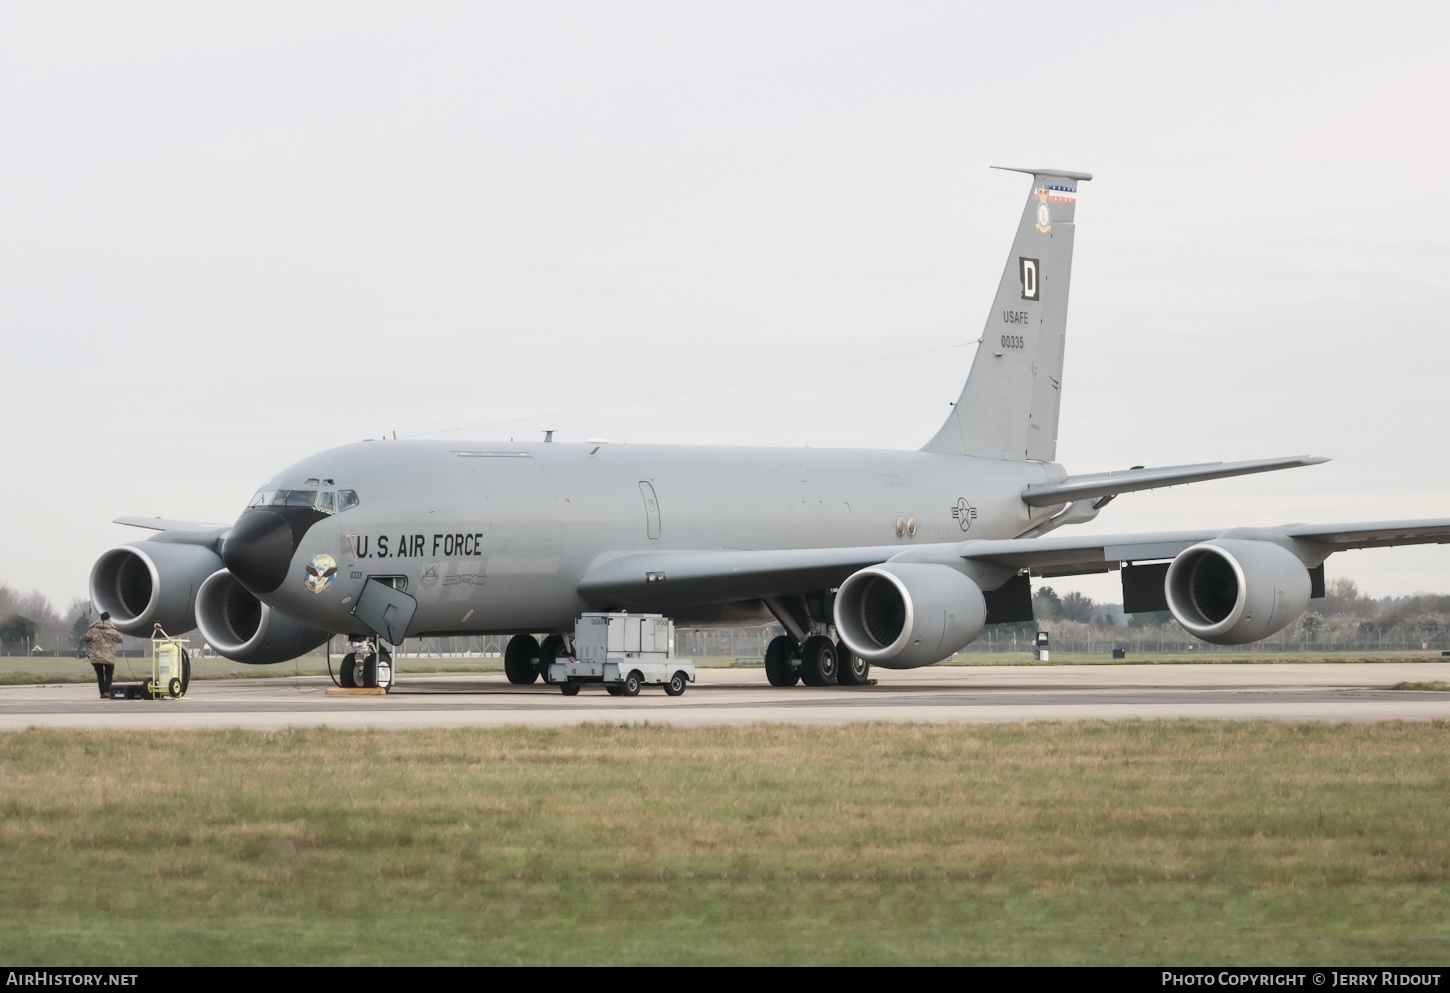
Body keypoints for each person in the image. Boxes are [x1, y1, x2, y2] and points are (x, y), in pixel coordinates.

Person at [81, 612, 123, 699]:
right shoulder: (112, 630)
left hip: (96, 657)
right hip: (108, 656)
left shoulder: (93, 629)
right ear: (109, 619)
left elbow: (85, 638)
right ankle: (107, 691)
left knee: (100, 675)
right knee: (108, 674)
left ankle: (102, 692)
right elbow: (120, 639)